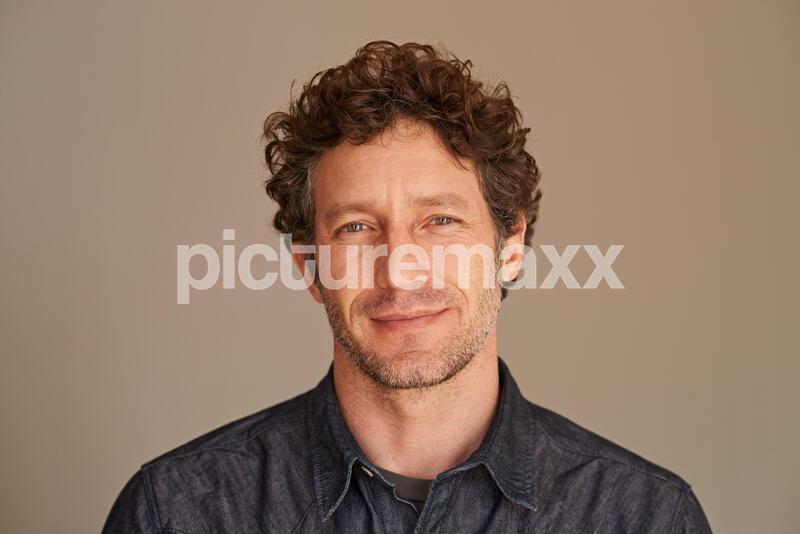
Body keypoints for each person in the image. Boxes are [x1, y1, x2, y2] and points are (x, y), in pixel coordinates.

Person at [103, 40, 712, 533]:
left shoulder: (648, 518)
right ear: (310, 267)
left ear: (510, 248)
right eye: (356, 227)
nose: (400, 270)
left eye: (440, 221)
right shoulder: (176, 513)